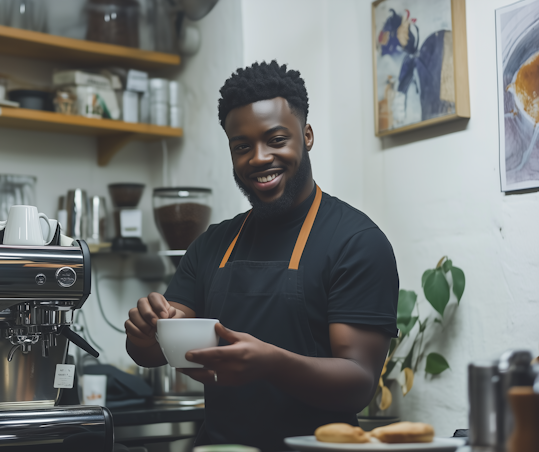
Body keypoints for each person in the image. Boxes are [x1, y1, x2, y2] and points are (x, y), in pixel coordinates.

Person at [125, 61, 399, 451]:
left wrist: (271, 363)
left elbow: (358, 384)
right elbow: (155, 349)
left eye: (275, 139)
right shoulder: (213, 243)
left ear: (306, 136)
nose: (258, 157)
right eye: (242, 147)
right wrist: (146, 328)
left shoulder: (355, 242)